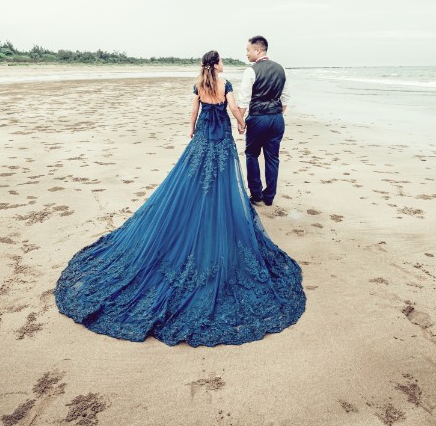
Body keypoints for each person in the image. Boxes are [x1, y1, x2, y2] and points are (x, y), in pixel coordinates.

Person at [54, 50, 306, 347]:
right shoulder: (223, 84)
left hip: (203, 137)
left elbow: (194, 112)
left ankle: (200, 207)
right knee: (222, 176)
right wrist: (241, 122)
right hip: (220, 138)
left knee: (196, 175)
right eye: (221, 60)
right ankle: (214, 213)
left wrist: (191, 130)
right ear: (216, 64)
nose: (224, 64)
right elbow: (234, 108)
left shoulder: (199, 84)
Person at [238, 36, 290, 206]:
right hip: (276, 119)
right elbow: (285, 97)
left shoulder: (251, 71)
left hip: (258, 118)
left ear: (258, 50)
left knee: (252, 154)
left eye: (248, 50)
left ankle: (256, 194)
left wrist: (240, 120)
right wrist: (275, 113)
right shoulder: (281, 69)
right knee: (272, 157)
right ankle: (269, 197)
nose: (246, 53)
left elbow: (244, 99)